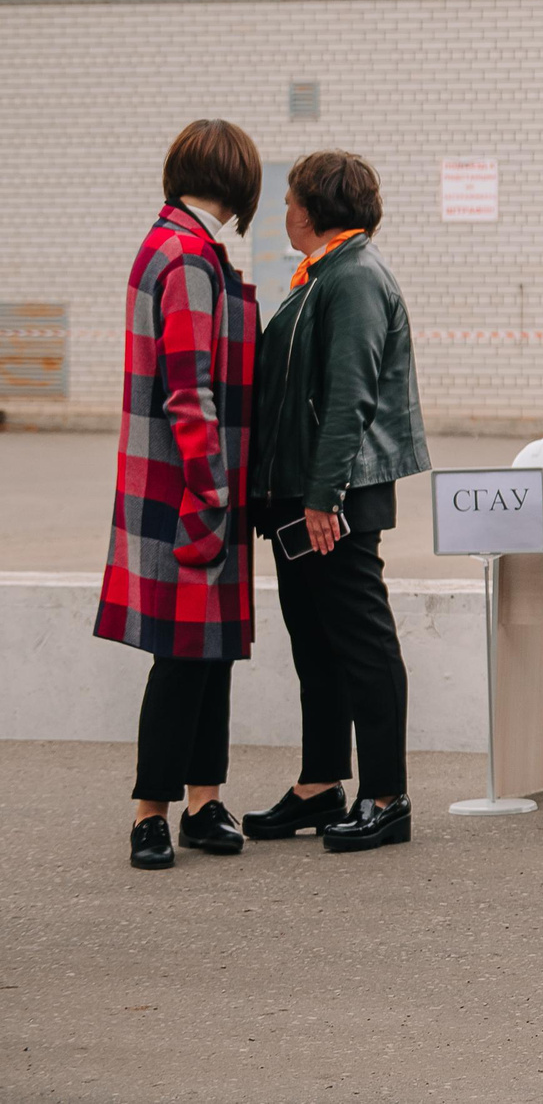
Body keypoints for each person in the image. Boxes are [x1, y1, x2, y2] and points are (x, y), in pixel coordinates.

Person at [238, 151, 431, 854]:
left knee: (362, 645)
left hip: (333, 497)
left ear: (314, 207)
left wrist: (324, 495)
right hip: (303, 493)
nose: (283, 212)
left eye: (290, 199)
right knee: (316, 645)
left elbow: (349, 396)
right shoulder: (325, 273)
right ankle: (321, 784)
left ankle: (387, 796)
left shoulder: (352, 278)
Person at [97, 120, 263, 870]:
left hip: (175, 480)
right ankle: (152, 811)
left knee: (208, 649)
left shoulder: (168, 242)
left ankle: (201, 800)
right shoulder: (190, 257)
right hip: (192, 485)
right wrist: (214, 488)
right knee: (184, 653)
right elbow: (190, 391)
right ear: (237, 183)